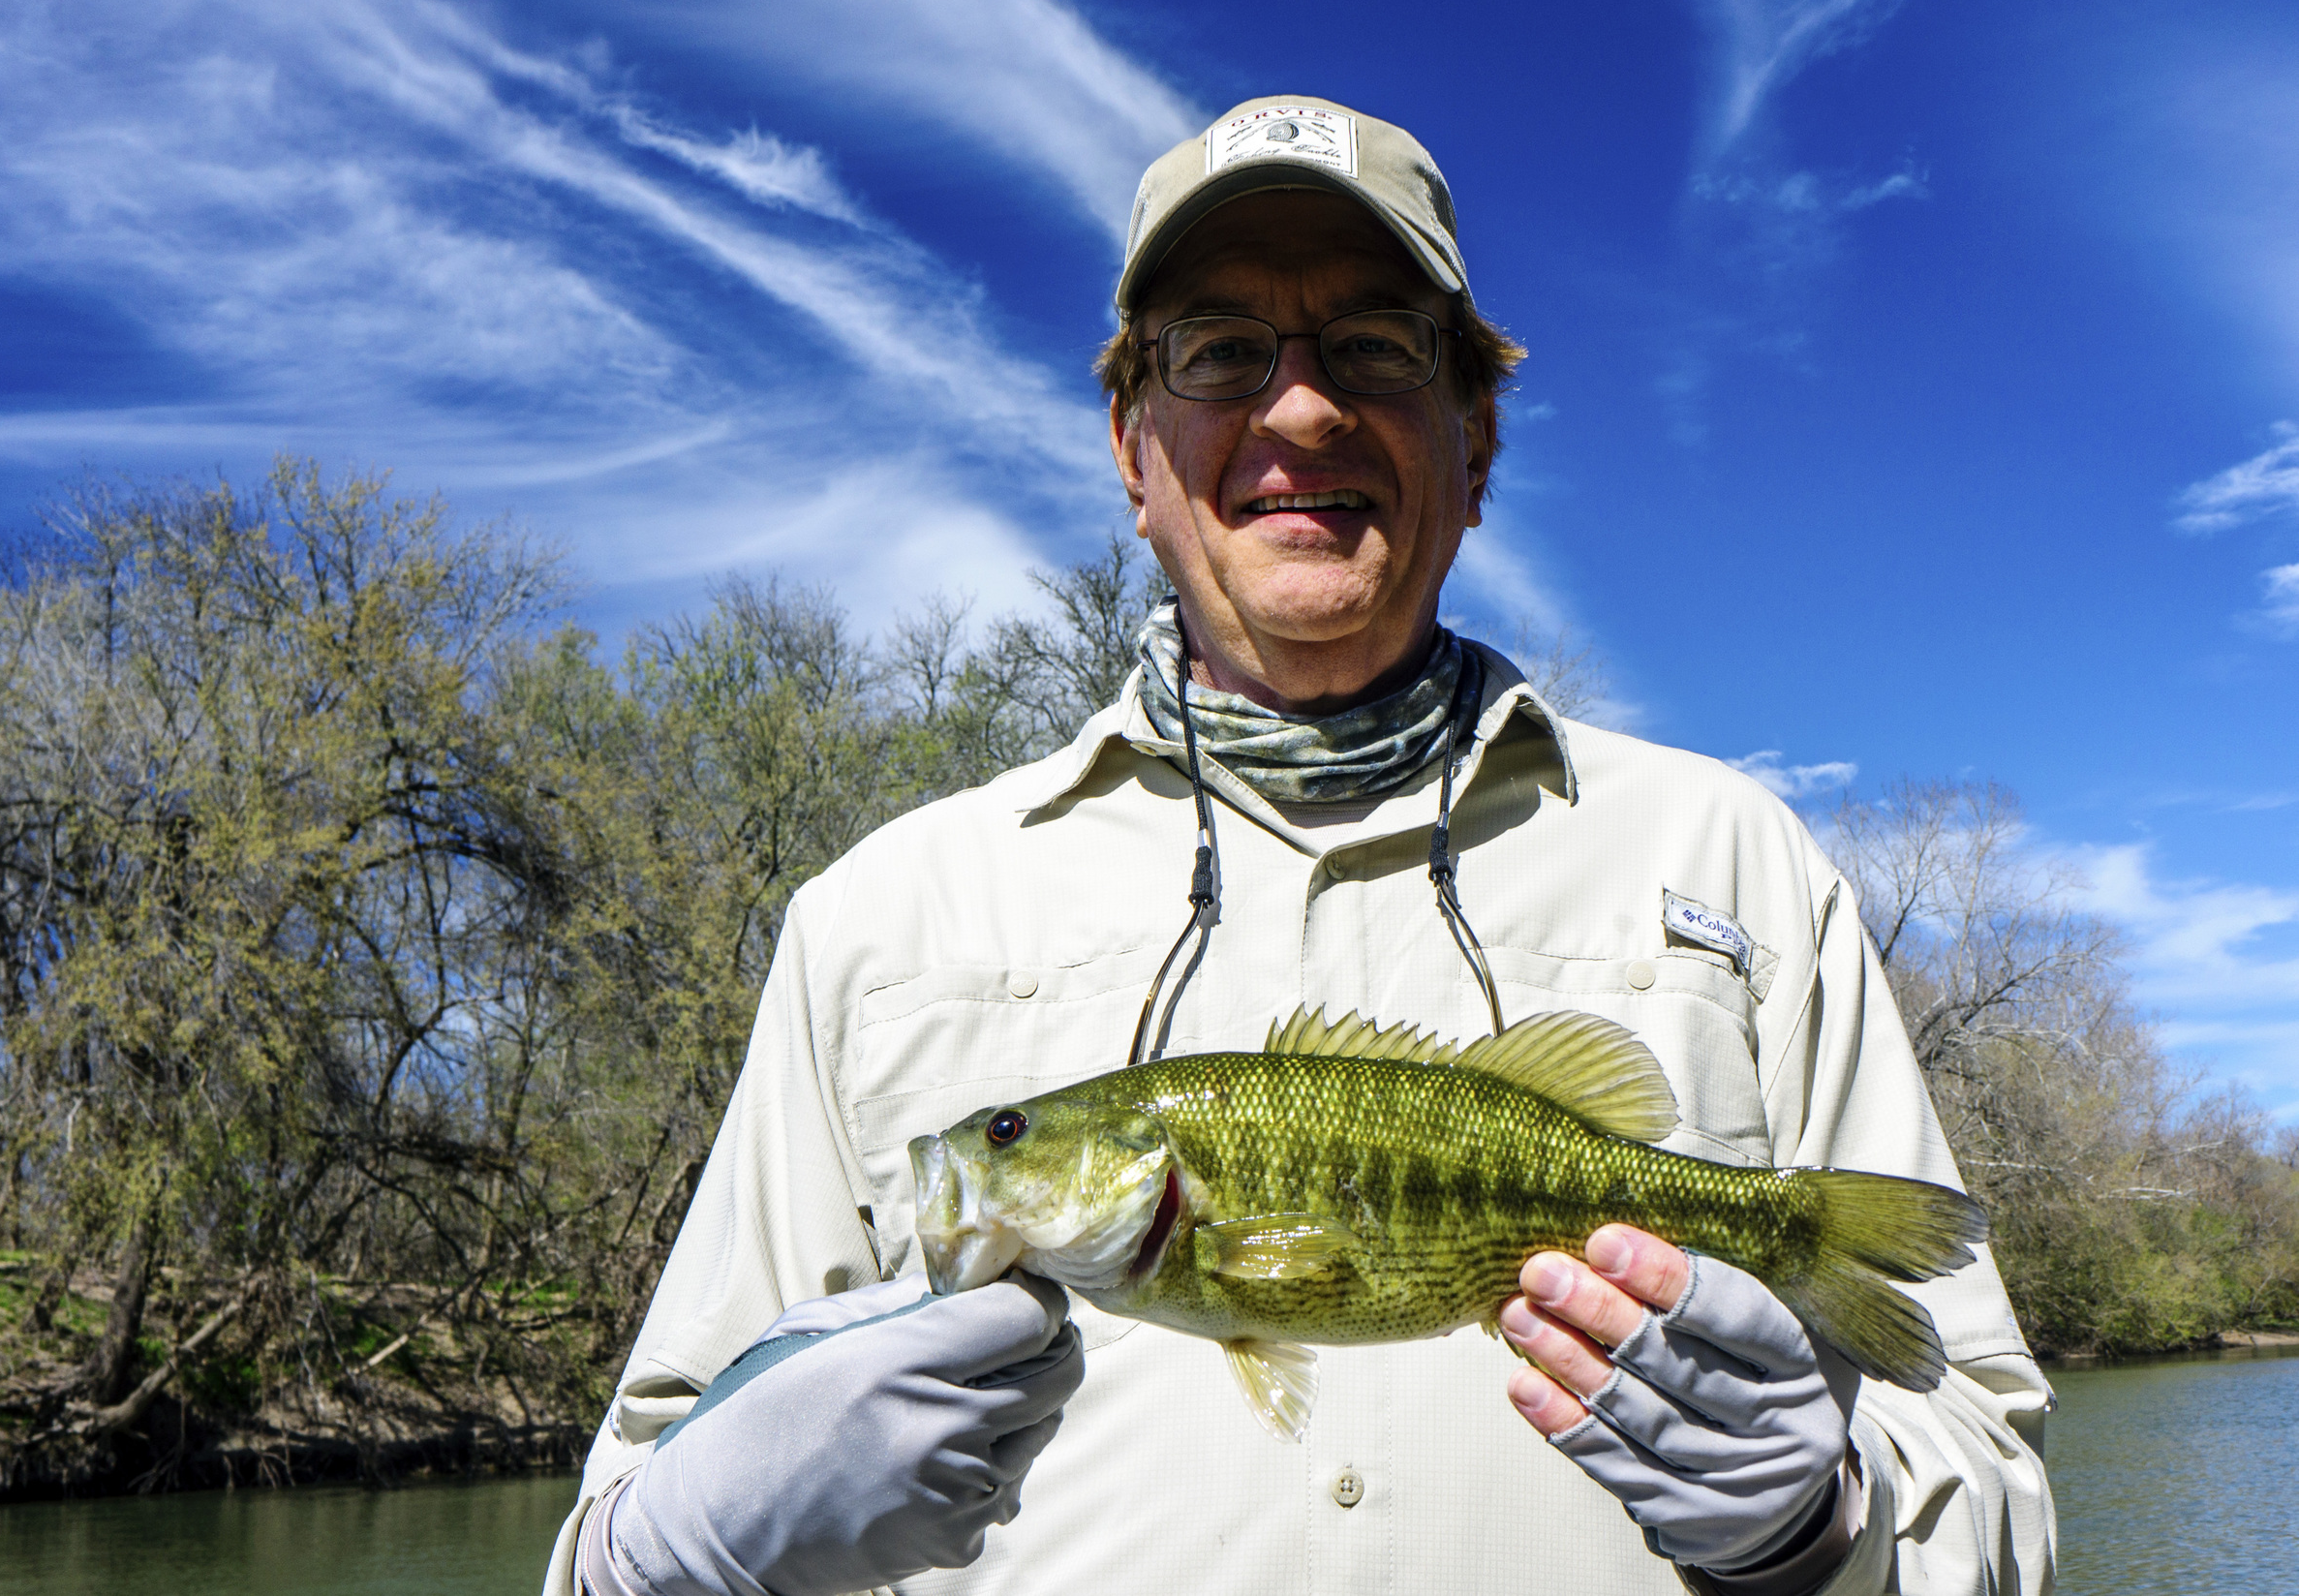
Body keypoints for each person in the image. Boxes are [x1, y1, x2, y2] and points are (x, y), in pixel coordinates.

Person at [546, 97, 2057, 1596]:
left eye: (1376, 347)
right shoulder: (878, 918)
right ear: (1134, 448)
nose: (1302, 411)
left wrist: (1825, 1526)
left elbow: (1995, 1485)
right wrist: (679, 1551)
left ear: (1476, 439)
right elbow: (617, 1527)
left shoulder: (1739, 868)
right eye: (1219, 354)